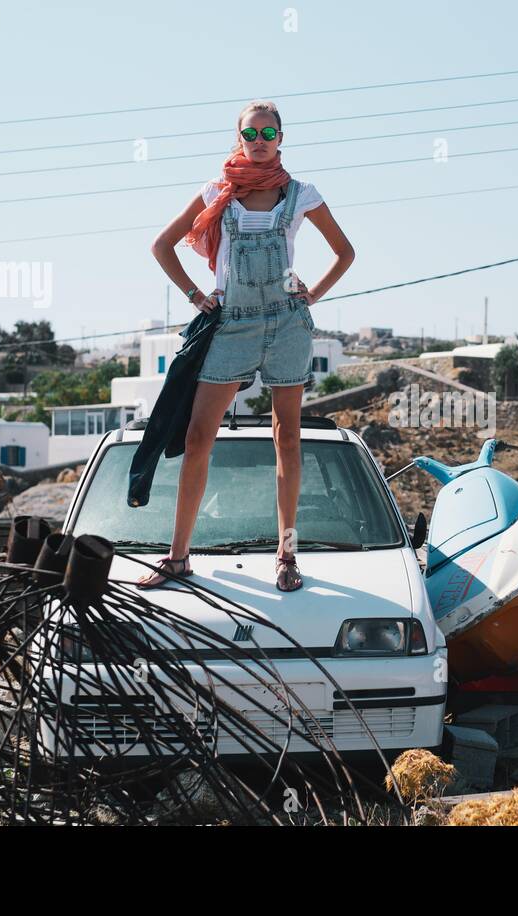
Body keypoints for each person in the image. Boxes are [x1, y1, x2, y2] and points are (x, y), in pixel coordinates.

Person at [137, 99, 355, 591]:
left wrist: (312, 293)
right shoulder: (216, 191)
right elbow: (162, 245)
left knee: (288, 439)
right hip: (230, 325)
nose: (259, 143)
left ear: (282, 138)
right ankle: (177, 558)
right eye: (250, 135)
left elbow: (345, 253)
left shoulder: (302, 194)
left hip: (287, 325)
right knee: (197, 439)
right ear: (239, 140)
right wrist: (195, 295)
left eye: (268, 134)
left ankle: (287, 555)